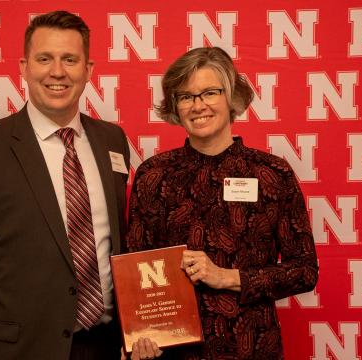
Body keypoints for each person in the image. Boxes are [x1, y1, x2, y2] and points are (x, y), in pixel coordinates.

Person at [0, 10, 130, 360]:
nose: (57, 72)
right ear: (24, 67)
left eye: (70, 59)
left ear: (89, 70)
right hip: (19, 350)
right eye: (44, 59)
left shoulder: (112, 140)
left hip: (104, 346)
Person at [125, 47, 319, 360]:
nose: (197, 105)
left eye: (209, 92)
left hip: (254, 348)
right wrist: (138, 336)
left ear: (230, 97)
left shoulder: (272, 172)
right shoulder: (154, 175)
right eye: (185, 96)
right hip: (173, 352)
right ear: (176, 107)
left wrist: (227, 277)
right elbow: (135, 269)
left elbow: (305, 271)